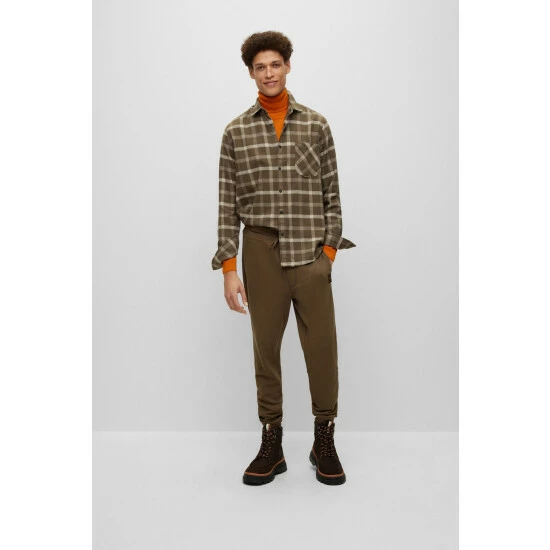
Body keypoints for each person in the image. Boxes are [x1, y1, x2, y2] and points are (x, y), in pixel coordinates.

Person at [211, 30, 356, 486]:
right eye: (260, 67)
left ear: (288, 66)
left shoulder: (316, 125)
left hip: (310, 252)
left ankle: (323, 438)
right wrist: (229, 269)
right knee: (265, 350)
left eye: (275, 64)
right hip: (260, 253)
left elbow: (333, 195)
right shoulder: (235, 132)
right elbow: (227, 205)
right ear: (251, 73)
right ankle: (271, 443)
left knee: (322, 349)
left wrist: (328, 252)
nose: (269, 73)